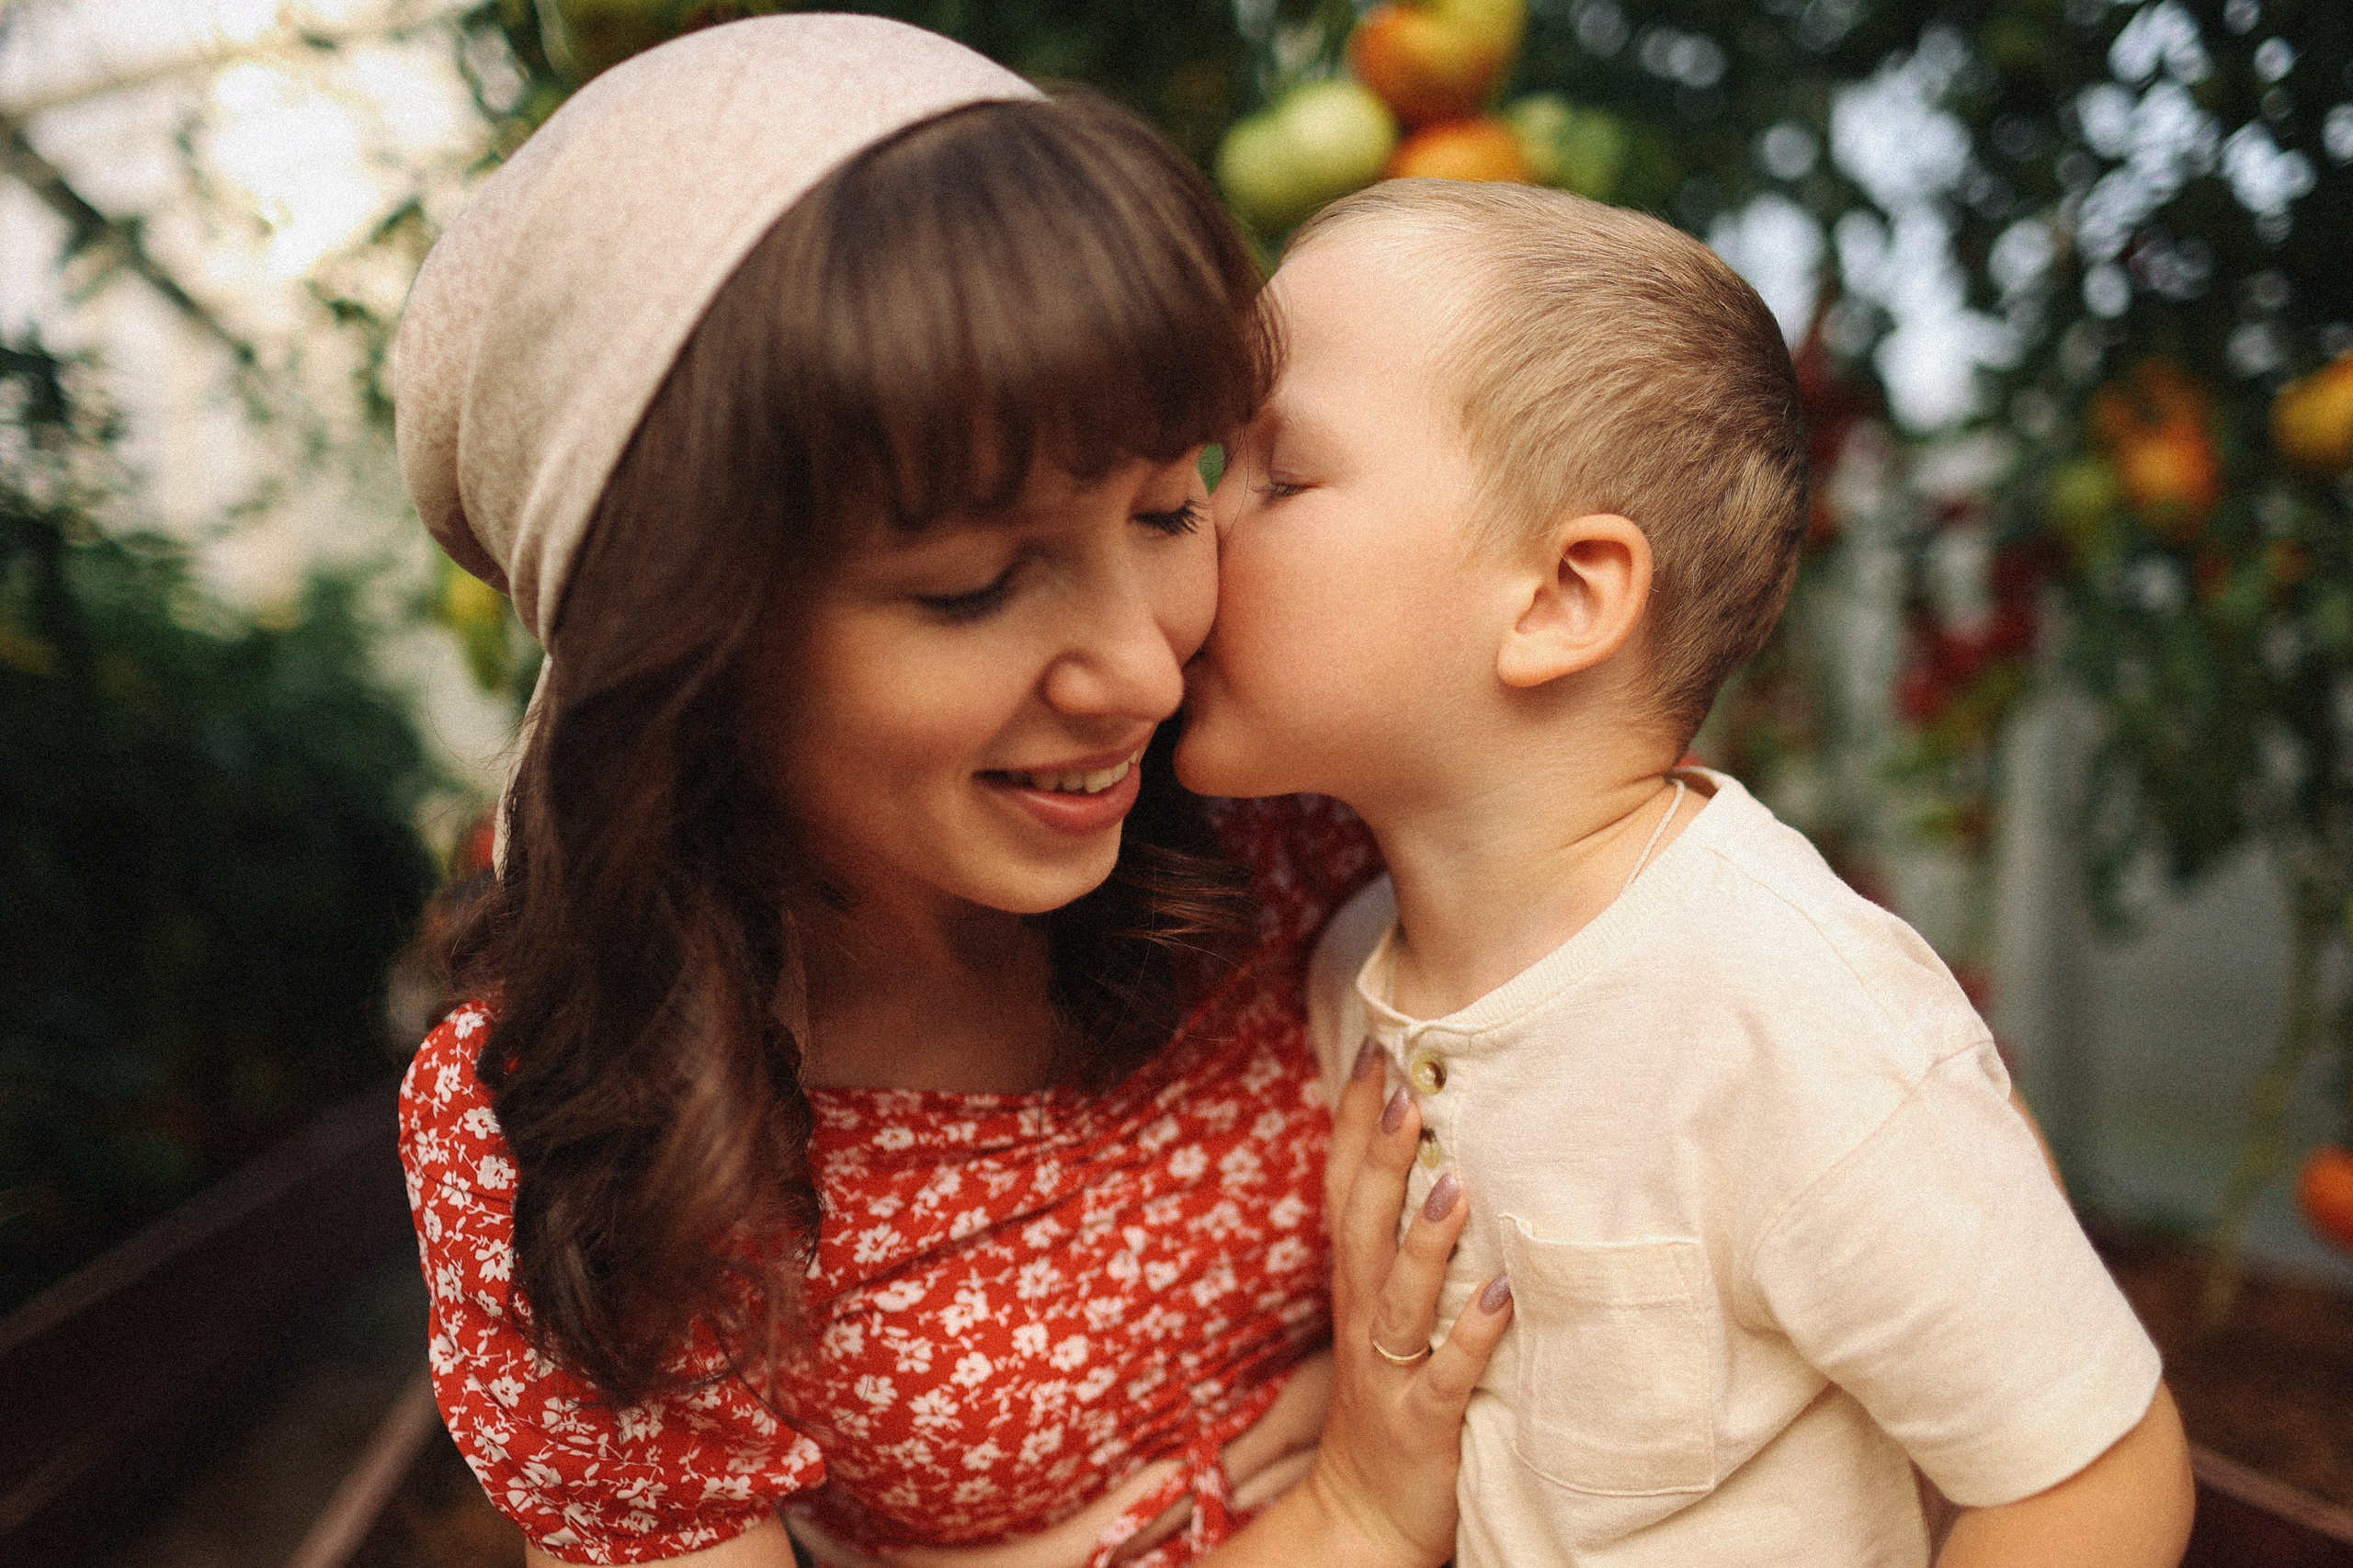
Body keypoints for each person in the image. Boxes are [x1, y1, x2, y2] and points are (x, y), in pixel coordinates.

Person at [392, 18, 1510, 1568]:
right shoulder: (586, 1132)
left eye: (1169, 507)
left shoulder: (1294, 812)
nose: (1139, 668)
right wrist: (1354, 1507)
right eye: (979, 588)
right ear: (693, 639)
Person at [1176, 177, 2199, 1568]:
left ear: (1561, 599)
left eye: (1280, 474)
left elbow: (2096, 1478)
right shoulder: (1356, 962)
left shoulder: (1788, 1012)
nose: (1194, 511)